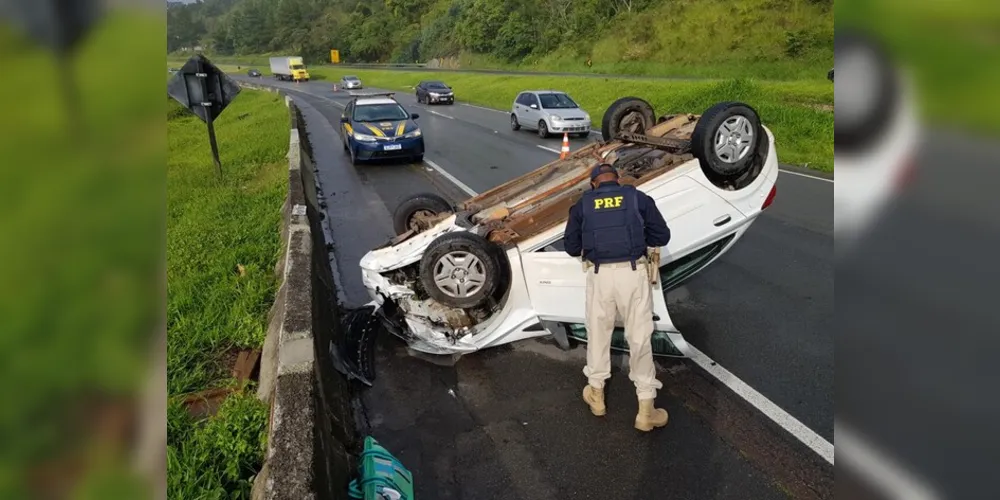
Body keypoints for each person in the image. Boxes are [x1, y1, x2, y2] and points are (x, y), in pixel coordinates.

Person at [564, 163, 672, 431]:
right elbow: (662, 234)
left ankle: (597, 395)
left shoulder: (583, 204)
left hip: (600, 276)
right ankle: (646, 409)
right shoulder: (637, 198)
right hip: (633, 274)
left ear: (594, 184)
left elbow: (571, 246)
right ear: (618, 180)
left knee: (598, 334)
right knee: (639, 336)